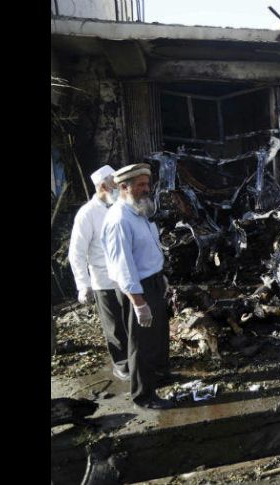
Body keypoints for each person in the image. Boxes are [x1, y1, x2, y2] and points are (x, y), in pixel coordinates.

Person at [101, 163, 173, 410]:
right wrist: (138, 303)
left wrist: (161, 277)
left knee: (159, 334)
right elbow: (123, 266)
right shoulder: (119, 219)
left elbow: (148, 251)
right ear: (123, 187)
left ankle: (161, 376)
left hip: (153, 281)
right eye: (140, 185)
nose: (146, 189)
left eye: (147, 183)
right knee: (141, 342)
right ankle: (144, 396)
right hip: (137, 287)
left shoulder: (139, 211)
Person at [68, 165, 130, 381]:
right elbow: (76, 252)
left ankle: (135, 359)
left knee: (129, 322)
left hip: (126, 278)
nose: (119, 187)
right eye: (114, 183)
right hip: (103, 280)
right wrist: (82, 285)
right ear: (103, 185)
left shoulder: (120, 207)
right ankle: (121, 364)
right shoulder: (87, 213)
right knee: (113, 327)